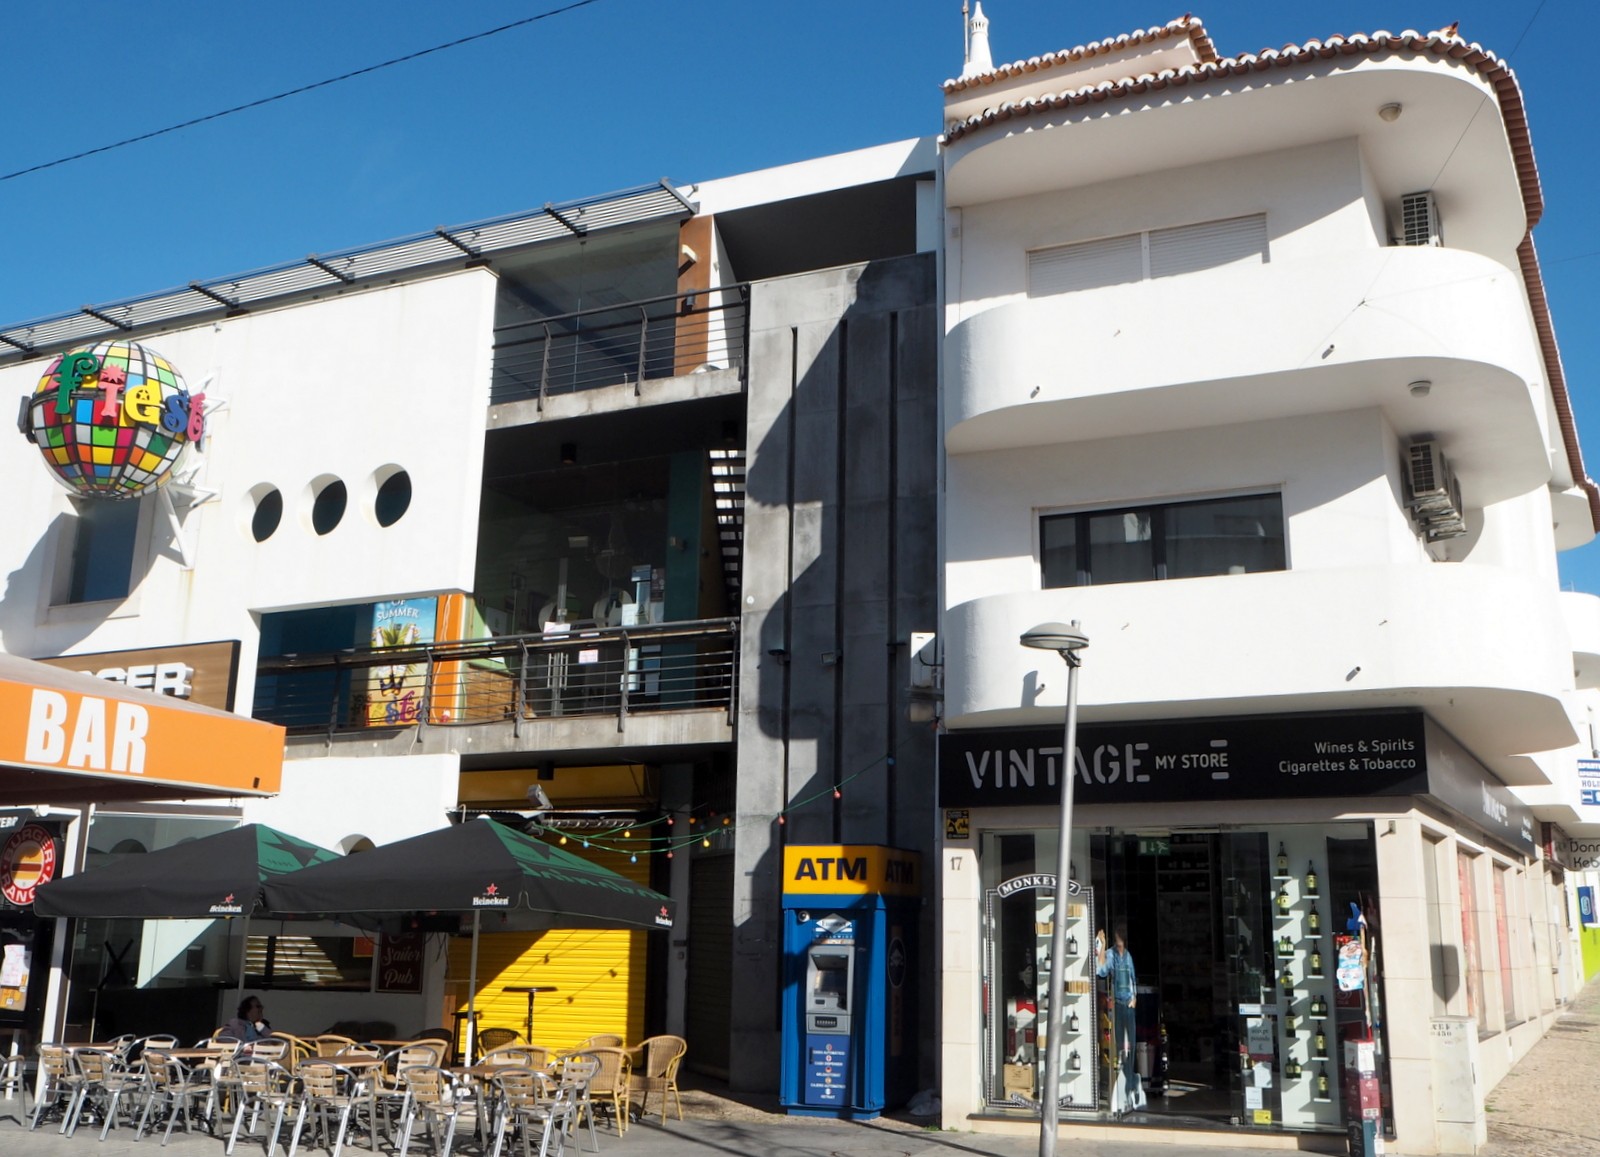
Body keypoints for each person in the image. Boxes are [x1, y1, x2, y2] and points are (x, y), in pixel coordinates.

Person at [1095, 926, 1138, 1106]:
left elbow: (1133, 979)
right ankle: (1121, 1091)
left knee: (1131, 1047)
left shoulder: (1127, 956)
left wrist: (1135, 997)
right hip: (1118, 1006)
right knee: (1120, 1047)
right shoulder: (1112, 954)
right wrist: (1102, 947)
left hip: (1129, 1005)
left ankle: (1129, 1088)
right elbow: (1102, 971)